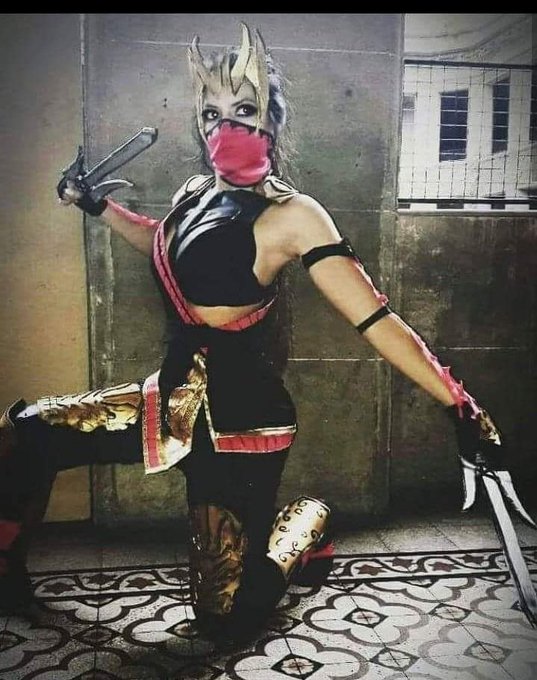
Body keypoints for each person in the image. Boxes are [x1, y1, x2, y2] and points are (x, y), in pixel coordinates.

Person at [0, 24, 506, 642]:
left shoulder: (295, 215)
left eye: (244, 110)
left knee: (223, 619)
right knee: (27, 432)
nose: (226, 127)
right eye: (211, 114)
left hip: (243, 425)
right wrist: (98, 207)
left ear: (272, 121)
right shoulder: (194, 192)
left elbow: (376, 319)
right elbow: (164, 244)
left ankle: (308, 522)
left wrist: (459, 402)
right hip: (171, 402)